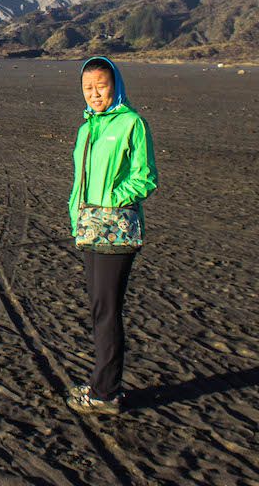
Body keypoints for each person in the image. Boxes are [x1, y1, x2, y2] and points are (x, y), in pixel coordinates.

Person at [66, 56, 157, 416]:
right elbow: (79, 183)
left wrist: (110, 202)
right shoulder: (86, 128)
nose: (95, 94)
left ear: (115, 85)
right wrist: (78, 219)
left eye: (101, 85)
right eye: (88, 87)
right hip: (89, 228)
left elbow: (145, 177)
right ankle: (103, 382)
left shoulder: (132, 123)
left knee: (106, 310)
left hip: (116, 229)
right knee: (99, 308)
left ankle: (106, 393)